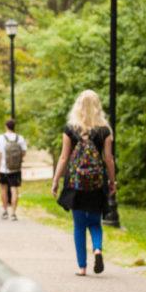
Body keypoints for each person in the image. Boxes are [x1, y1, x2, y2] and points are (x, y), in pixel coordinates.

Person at [51, 90, 117, 276]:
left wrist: (56, 181)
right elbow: (109, 159)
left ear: (78, 106)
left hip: (75, 184)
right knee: (95, 223)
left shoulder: (70, 129)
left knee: (79, 226)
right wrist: (112, 182)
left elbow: (64, 158)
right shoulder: (105, 130)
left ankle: (82, 267)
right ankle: (97, 249)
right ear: (98, 107)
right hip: (97, 184)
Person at [0, 119, 27, 221]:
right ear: (14, 127)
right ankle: (13, 213)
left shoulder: (0, 138)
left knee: (3, 189)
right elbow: (24, 152)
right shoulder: (20, 138)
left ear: (6, 126)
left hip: (4, 169)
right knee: (14, 190)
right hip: (16, 169)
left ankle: (5, 212)